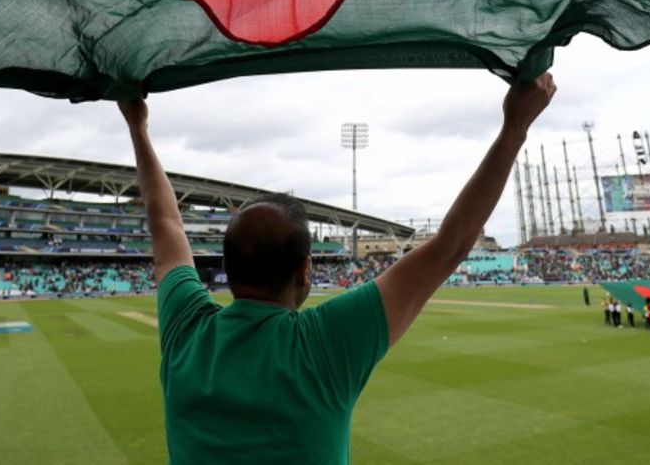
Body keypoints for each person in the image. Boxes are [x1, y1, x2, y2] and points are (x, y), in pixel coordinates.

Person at [120, 73, 556, 464]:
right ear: (305, 271)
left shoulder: (186, 331)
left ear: (226, 267)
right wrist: (515, 126)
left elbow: (165, 223)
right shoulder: (323, 345)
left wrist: (137, 127)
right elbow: (452, 244)